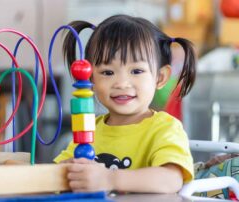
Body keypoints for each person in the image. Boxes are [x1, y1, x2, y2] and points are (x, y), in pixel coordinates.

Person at [54, 15, 196, 194]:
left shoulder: (165, 128)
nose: (121, 83)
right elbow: (58, 173)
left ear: (160, 78)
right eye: (107, 72)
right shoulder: (90, 129)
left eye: (136, 71)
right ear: (91, 79)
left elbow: (171, 180)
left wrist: (109, 178)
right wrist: (65, 172)